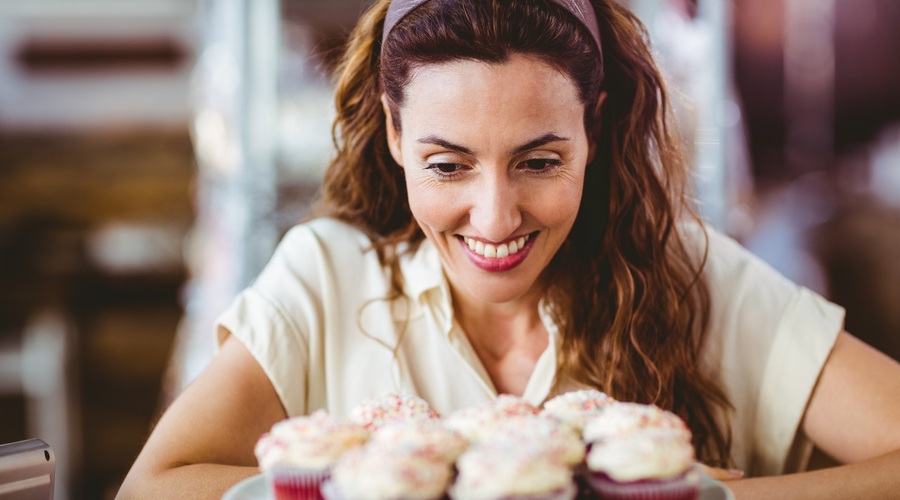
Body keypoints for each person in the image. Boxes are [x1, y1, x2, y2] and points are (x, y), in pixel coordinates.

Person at [117, 0, 900, 498]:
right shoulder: (325, 276)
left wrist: (702, 497)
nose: (493, 220)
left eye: (539, 161)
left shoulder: (693, 273)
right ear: (394, 134)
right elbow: (153, 486)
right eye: (448, 165)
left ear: (593, 128)